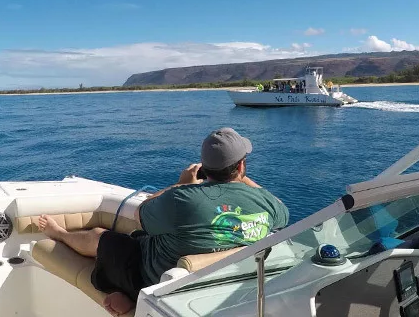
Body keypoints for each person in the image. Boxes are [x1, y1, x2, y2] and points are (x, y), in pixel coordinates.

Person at [37, 127, 289, 315]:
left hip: (153, 281)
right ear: (242, 166)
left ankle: (60, 234)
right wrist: (243, 181)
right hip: (221, 285)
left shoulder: (182, 199)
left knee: (102, 237)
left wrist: (180, 185)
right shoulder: (266, 203)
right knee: (141, 238)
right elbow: (281, 213)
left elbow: (141, 213)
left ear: (204, 168)